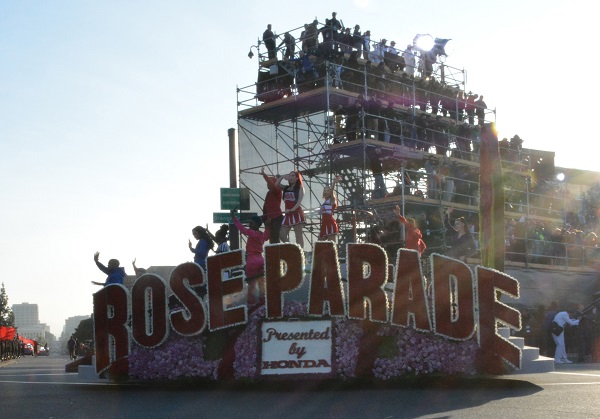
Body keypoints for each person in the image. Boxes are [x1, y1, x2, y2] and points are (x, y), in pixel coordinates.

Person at [232, 213, 269, 306]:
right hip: (261, 260)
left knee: (251, 285)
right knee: (261, 284)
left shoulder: (252, 233)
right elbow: (267, 234)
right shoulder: (261, 235)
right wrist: (268, 225)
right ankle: (263, 302)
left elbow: (241, 228)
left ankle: (251, 304)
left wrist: (234, 217)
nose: (250, 225)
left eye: (252, 223)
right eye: (249, 223)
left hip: (251, 261)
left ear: (257, 225)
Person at [278, 171, 306, 247]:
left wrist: (292, 210)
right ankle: (293, 248)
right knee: (282, 235)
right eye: (289, 175)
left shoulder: (300, 188)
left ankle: (300, 254)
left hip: (296, 213)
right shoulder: (286, 188)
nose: (290, 177)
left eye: (293, 175)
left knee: (298, 236)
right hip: (288, 214)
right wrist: (282, 176)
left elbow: (299, 202)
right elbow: (276, 184)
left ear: (297, 178)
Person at [260, 167, 283, 244]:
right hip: (270, 218)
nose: (268, 185)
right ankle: (274, 253)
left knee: (275, 237)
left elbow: (273, 185)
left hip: (276, 217)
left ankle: (277, 253)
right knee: (271, 238)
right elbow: (265, 206)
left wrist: (264, 175)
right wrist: (264, 217)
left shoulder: (277, 191)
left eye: (269, 183)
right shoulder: (269, 193)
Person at [320, 176, 342, 241]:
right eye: (325, 190)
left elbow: (332, 192)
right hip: (324, 222)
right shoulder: (325, 201)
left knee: (332, 243)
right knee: (320, 241)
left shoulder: (332, 199)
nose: (326, 192)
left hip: (330, 222)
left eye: (328, 190)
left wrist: (334, 183)